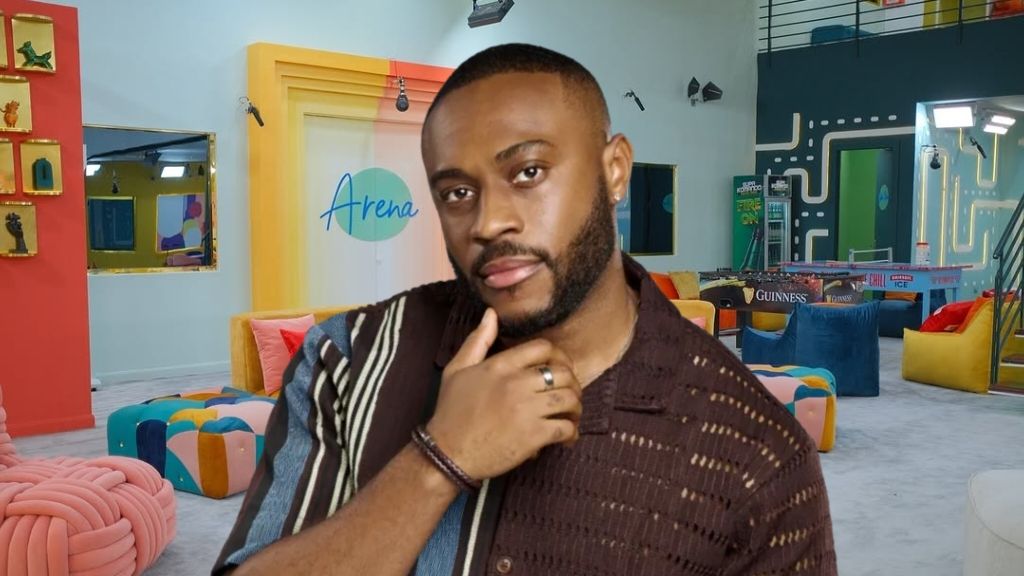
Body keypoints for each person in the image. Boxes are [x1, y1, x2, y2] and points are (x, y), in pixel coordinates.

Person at [214, 43, 836, 576]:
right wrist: (438, 460)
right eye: (458, 192)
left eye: (529, 171)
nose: (488, 222)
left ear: (614, 169)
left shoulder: (756, 450)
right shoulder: (347, 360)